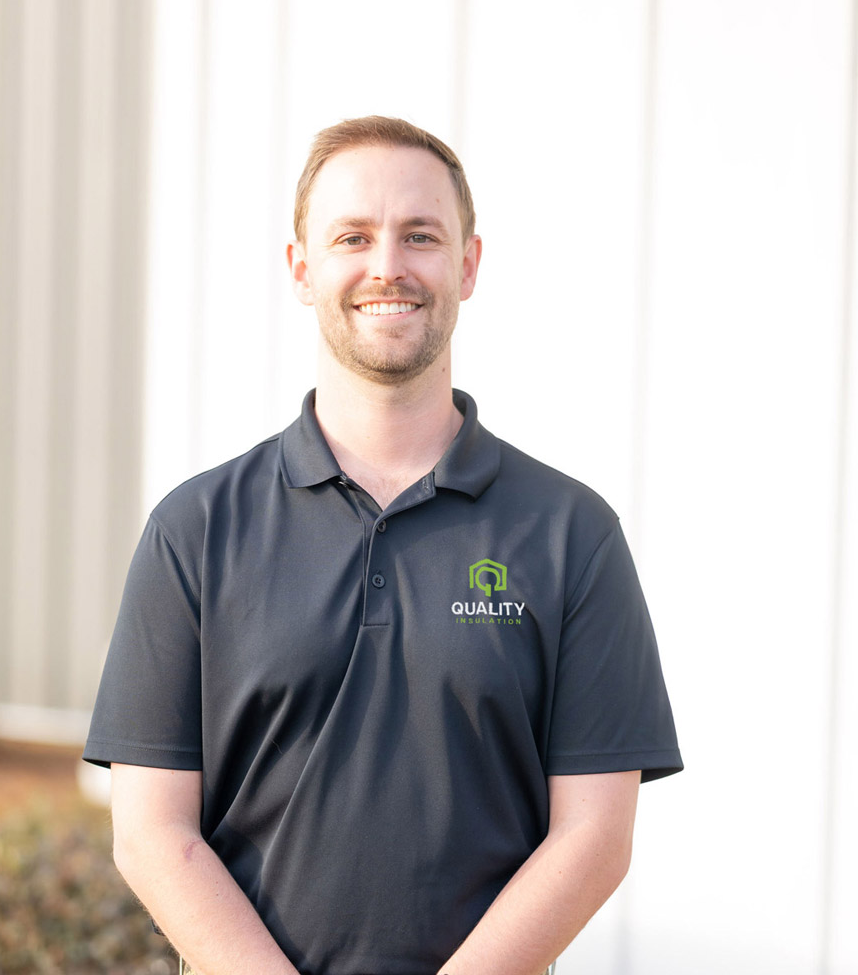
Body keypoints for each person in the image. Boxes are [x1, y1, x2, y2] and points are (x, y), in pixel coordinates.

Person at [84, 115, 682, 975]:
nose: (388, 265)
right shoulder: (196, 529)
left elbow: (594, 839)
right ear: (302, 268)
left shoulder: (571, 534)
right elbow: (152, 834)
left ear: (468, 265)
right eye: (352, 237)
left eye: (421, 236)